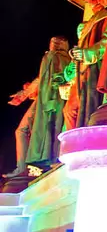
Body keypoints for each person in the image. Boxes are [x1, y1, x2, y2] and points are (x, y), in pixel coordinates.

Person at [4, 37, 70, 177]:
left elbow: (57, 78)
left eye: (55, 42)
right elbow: (41, 79)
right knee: (22, 130)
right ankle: (22, 166)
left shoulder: (59, 57)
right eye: (51, 42)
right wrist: (24, 94)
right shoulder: (51, 57)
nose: (52, 44)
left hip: (51, 100)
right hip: (43, 100)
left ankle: (31, 164)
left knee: (38, 129)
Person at [61, 5, 107, 130]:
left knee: (86, 110)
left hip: (93, 72)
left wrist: (86, 53)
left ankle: (80, 140)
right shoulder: (95, 20)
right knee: (70, 110)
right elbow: (69, 73)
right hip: (80, 78)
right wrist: (74, 64)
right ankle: (73, 142)